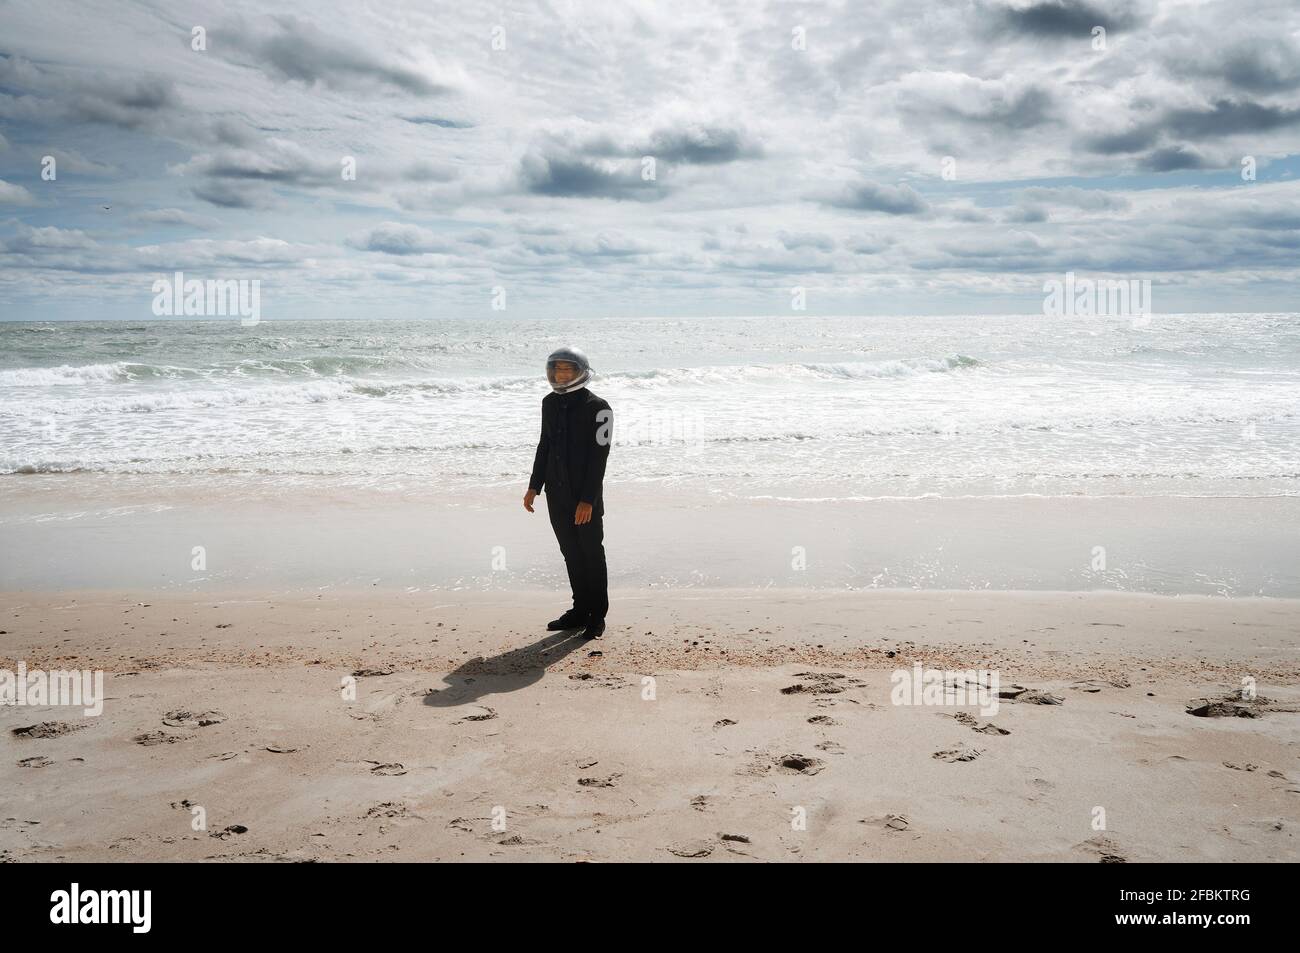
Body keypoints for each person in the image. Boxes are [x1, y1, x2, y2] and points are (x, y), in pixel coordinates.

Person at [523, 346, 612, 639]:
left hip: (584, 496)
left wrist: (588, 499)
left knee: (591, 553)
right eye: (557, 369)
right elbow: (544, 446)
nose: (561, 374)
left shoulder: (599, 408)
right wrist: (534, 486)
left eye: (567, 370)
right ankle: (579, 610)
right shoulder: (549, 403)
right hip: (556, 493)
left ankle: (596, 616)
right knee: (570, 553)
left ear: (580, 372)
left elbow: (600, 458)